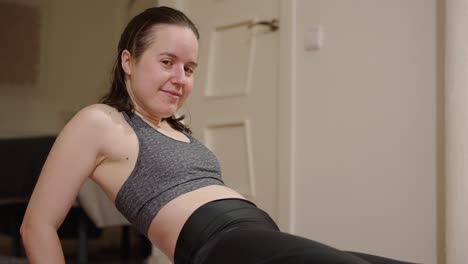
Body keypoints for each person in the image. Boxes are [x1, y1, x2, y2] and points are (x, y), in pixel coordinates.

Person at [20, 6, 418, 264]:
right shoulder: (101, 121)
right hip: (218, 244)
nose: (180, 78)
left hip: (256, 237)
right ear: (128, 60)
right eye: (167, 62)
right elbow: (37, 225)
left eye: (189, 68)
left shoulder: (177, 128)